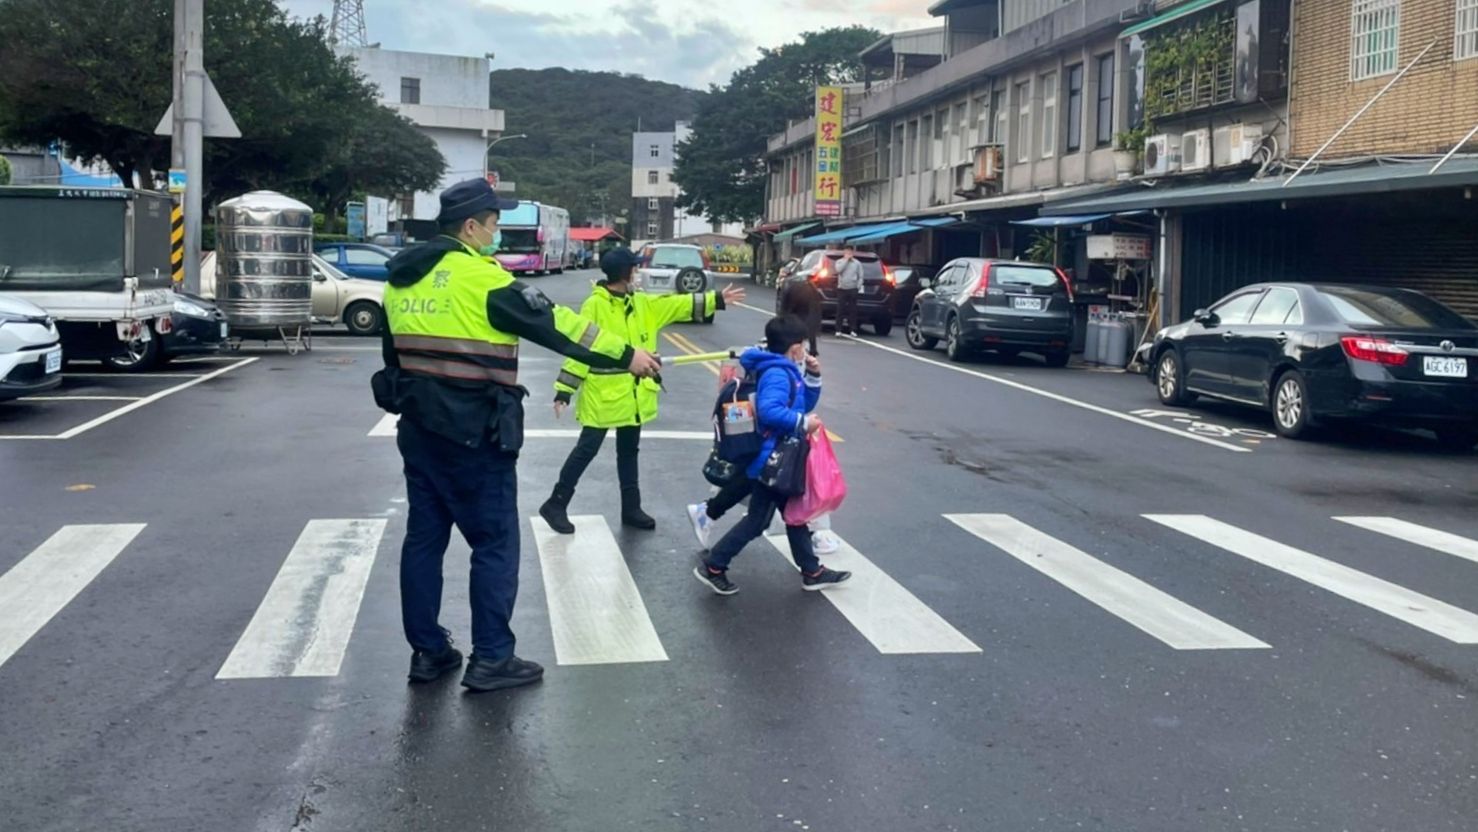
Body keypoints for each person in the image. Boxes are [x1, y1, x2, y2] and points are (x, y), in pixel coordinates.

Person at [373, 178, 661, 693]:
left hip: (419, 431)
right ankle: (492, 658)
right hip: (474, 433)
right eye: (493, 223)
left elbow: (393, 359)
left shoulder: (402, 280)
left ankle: (428, 652)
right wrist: (627, 356)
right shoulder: (482, 280)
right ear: (470, 226)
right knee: (495, 542)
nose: (496, 232)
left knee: (424, 540)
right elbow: (559, 326)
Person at [538, 248, 745, 534]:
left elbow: (677, 304)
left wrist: (717, 299)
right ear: (625, 273)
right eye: (633, 269)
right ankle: (556, 503)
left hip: (634, 395)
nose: (636, 273)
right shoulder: (594, 306)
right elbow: (579, 349)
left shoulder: (641, 303)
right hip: (603, 396)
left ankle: (631, 508)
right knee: (586, 450)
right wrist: (564, 390)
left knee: (628, 452)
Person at [693, 315, 852, 596]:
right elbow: (770, 411)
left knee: (795, 515)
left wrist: (813, 376)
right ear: (794, 348)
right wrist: (803, 424)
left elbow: (801, 403)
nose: (805, 350)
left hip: (774, 459)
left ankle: (811, 571)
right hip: (771, 461)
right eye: (802, 345)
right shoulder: (779, 373)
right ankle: (714, 565)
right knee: (760, 521)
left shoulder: (783, 368)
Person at [780, 266, 823, 356]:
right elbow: (814, 314)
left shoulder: (790, 284)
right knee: (808, 320)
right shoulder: (811, 289)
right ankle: (811, 348)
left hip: (795, 313)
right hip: (806, 314)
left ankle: (791, 346)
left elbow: (785, 309)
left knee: (793, 321)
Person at [835, 245, 864, 337]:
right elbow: (838, 270)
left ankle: (853, 329)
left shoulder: (857, 263)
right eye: (846, 252)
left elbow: (861, 276)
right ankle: (838, 329)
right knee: (840, 309)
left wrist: (858, 287)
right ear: (844, 252)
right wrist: (846, 260)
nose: (848, 254)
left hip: (853, 288)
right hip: (842, 288)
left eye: (850, 252)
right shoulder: (839, 261)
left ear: (852, 253)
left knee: (853, 310)